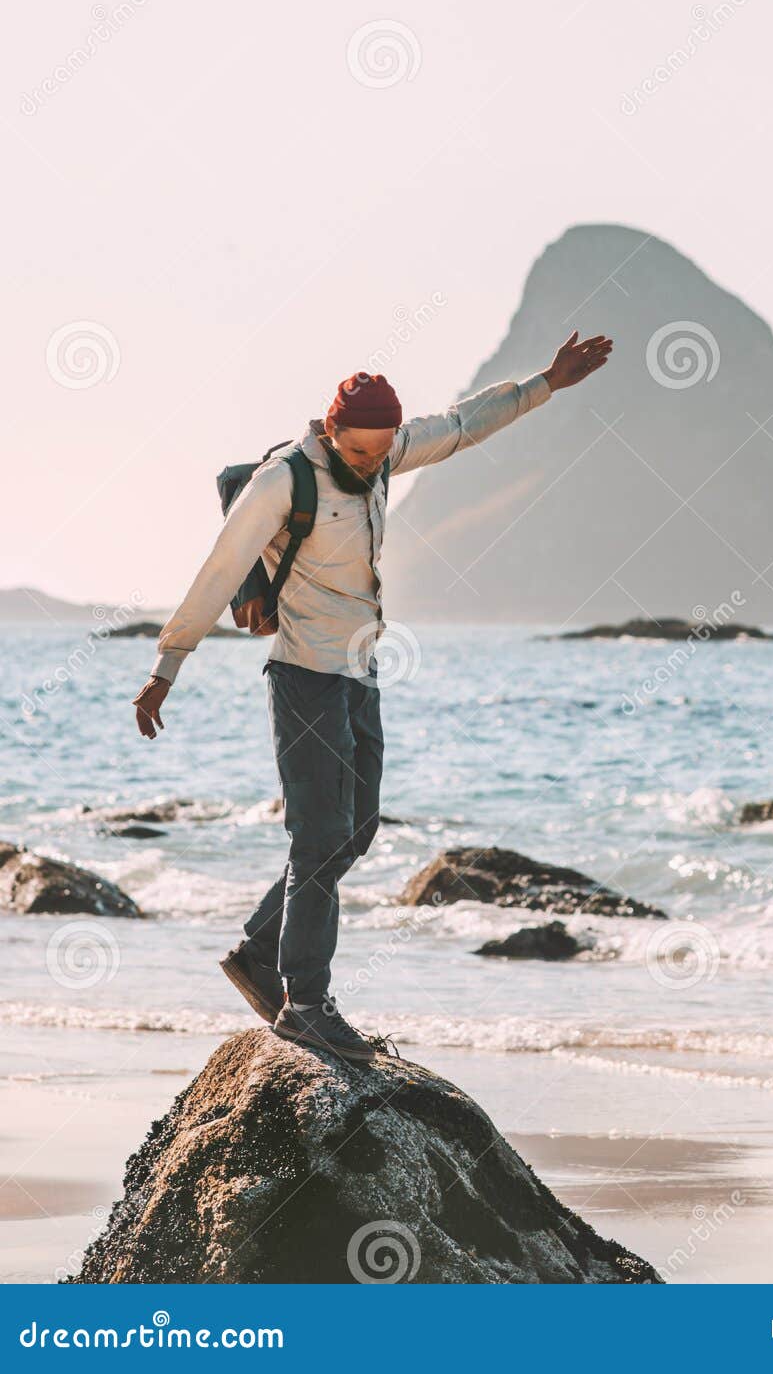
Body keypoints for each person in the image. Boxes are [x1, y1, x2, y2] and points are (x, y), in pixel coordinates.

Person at [132, 330, 612, 1063]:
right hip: (303, 677)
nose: (370, 464)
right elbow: (221, 567)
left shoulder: (383, 452)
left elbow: (459, 426)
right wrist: (168, 665)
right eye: (357, 452)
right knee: (317, 839)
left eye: (380, 451)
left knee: (355, 830)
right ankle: (305, 1004)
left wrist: (546, 381)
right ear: (331, 431)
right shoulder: (282, 481)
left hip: (359, 672)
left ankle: (261, 954)